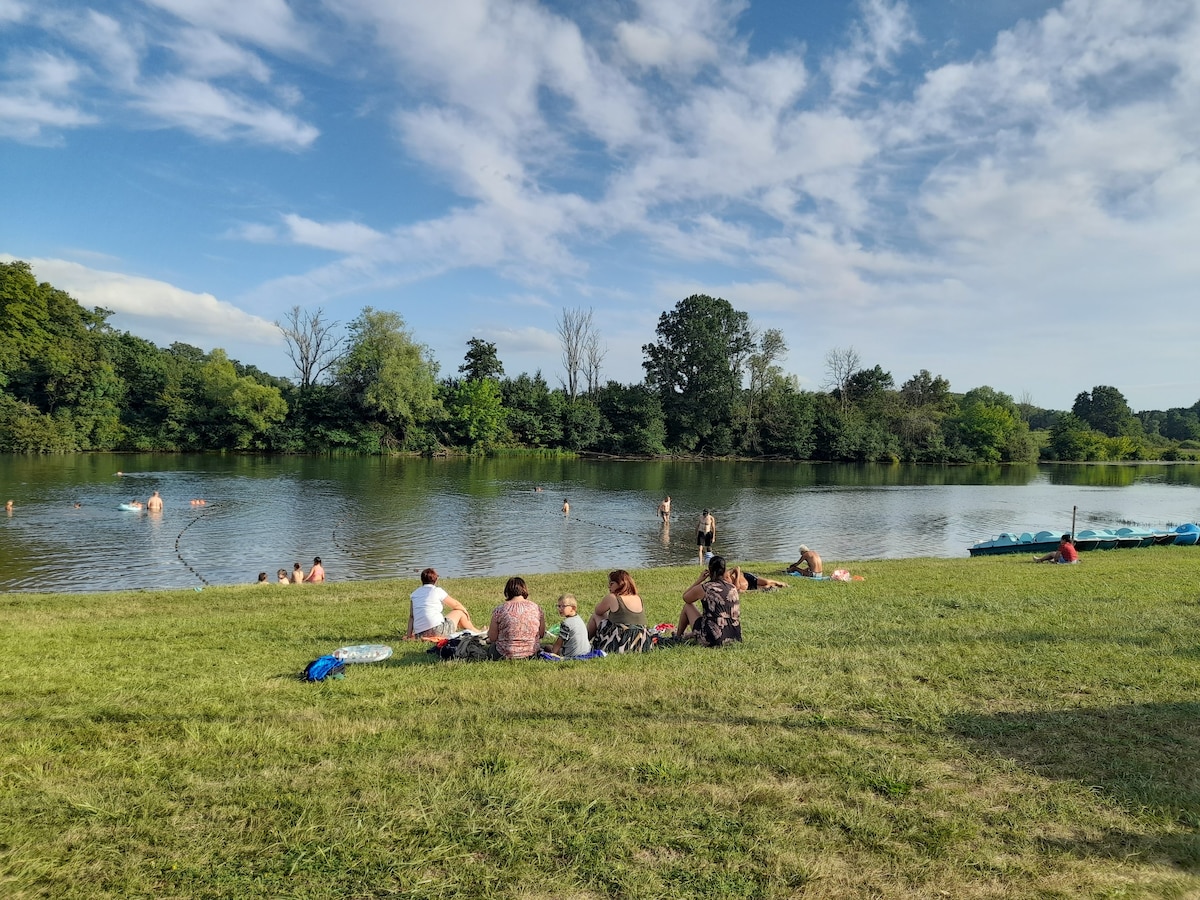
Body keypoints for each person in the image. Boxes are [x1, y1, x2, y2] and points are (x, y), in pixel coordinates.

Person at [677, 555, 742, 646]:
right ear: (724, 570)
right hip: (735, 636)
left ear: (710, 570)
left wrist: (699, 580)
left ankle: (678, 637)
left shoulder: (705, 588)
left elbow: (686, 598)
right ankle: (688, 635)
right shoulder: (733, 588)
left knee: (688, 606)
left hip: (713, 639)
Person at [407, 567, 479, 639]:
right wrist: (465, 611)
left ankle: (470, 630)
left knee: (447, 618)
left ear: (422, 580)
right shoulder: (437, 590)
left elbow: (411, 617)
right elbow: (456, 605)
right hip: (438, 630)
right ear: (436, 580)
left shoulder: (414, 594)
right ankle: (475, 631)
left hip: (420, 634)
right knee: (459, 612)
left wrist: (409, 636)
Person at [487, 576, 546, 659]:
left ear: (507, 591)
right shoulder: (536, 608)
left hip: (505, 653)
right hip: (531, 652)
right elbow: (541, 634)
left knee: (491, 648)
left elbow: (492, 638)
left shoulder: (499, 610)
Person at [587, 569, 646, 637]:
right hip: (641, 638)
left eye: (612, 583)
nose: (609, 586)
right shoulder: (637, 597)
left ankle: (584, 642)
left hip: (621, 640)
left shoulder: (612, 597)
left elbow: (598, 612)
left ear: (621, 583)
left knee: (596, 616)